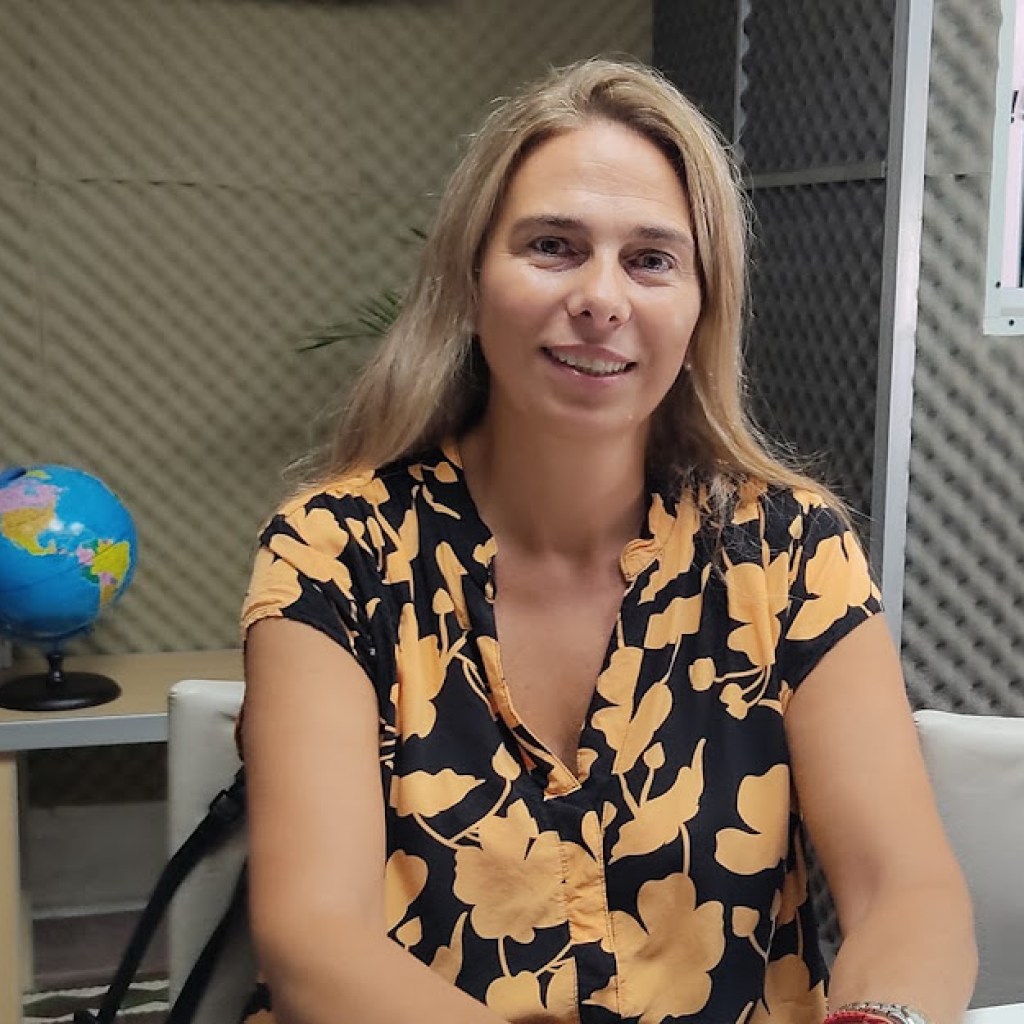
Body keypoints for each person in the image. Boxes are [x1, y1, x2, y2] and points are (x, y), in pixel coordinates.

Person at [239, 58, 976, 1024]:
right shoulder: (333, 552)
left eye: (652, 259)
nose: (602, 297)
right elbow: (314, 940)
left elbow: (907, 890)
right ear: (470, 281)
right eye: (553, 245)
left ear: (704, 302)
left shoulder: (792, 553)